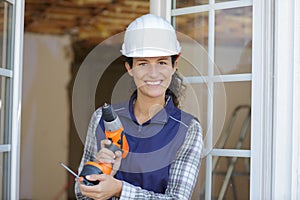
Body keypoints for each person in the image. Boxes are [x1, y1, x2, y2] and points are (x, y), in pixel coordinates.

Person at [75, 14, 203, 200]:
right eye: (143, 63)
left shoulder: (188, 129)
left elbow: (178, 198)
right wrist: (100, 172)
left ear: (175, 65)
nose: (153, 73)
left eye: (162, 62)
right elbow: (81, 194)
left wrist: (119, 190)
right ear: (129, 68)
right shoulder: (102, 119)